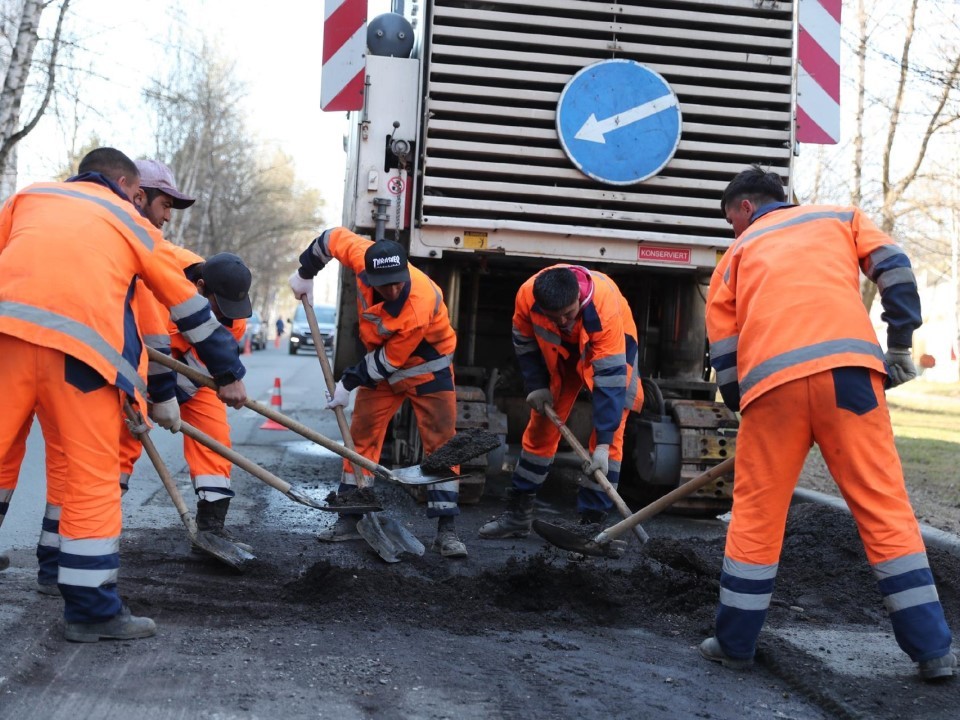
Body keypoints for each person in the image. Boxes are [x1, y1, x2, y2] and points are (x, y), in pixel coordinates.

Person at [700, 165, 956, 681]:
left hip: (771, 390)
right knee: (884, 507)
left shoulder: (738, 254)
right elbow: (896, 267)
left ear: (746, 207)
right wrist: (900, 342)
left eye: (732, 221)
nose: (735, 230)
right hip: (852, 383)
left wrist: (741, 402)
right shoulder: (841, 218)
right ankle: (932, 652)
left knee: (755, 518)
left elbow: (723, 347)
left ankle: (734, 646)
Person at [0, 147, 247, 642]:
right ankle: (90, 612)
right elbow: (186, 309)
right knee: (92, 478)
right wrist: (230, 373)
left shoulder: (30, 196)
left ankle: (58, 572)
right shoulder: (131, 225)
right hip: (82, 360)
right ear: (130, 190)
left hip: (5, 338)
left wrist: (161, 389)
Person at [288, 228, 466, 558]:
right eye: (386, 284)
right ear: (368, 275)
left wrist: (347, 383)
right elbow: (331, 239)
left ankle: (447, 531)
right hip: (380, 361)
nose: (394, 289)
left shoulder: (418, 304)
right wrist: (305, 272)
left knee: (442, 443)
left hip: (427, 367)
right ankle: (350, 516)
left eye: (399, 280)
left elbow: (387, 362)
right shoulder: (361, 254)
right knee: (361, 437)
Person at [479, 265, 644, 538]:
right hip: (562, 354)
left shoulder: (604, 310)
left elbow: (610, 383)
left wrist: (601, 445)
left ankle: (591, 529)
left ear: (578, 297)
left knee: (611, 437)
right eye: (557, 318)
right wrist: (536, 385)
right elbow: (525, 343)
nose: (565, 321)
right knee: (541, 427)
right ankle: (518, 514)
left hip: (612, 351)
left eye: (569, 314)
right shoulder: (526, 298)